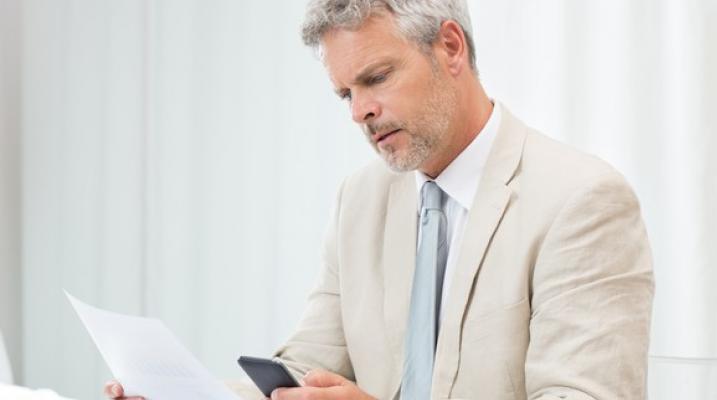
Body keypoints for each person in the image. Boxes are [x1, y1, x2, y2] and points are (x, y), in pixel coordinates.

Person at [105, 0, 654, 399]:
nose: (358, 112)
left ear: (450, 47)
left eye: (377, 78)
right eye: (346, 93)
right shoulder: (360, 200)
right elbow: (307, 368)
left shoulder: (581, 200)